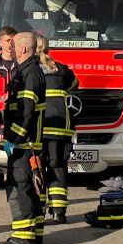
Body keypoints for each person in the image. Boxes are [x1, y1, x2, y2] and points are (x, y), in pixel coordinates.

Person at [0, 32, 47, 244]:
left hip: (25, 144)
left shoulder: (29, 74)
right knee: (31, 189)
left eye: (13, 45)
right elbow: (16, 110)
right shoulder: (27, 71)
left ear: (23, 49)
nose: (10, 49)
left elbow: (26, 112)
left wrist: (12, 139)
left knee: (20, 188)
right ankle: (34, 234)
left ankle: (23, 237)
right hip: (28, 142)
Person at [35, 34, 77, 225]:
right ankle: (59, 212)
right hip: (61, 128)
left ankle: (39, 211)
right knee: (58, 167)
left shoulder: (31, 71)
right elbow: (75, 85)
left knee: (38, 168)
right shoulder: (62, 70)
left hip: (40, 127)